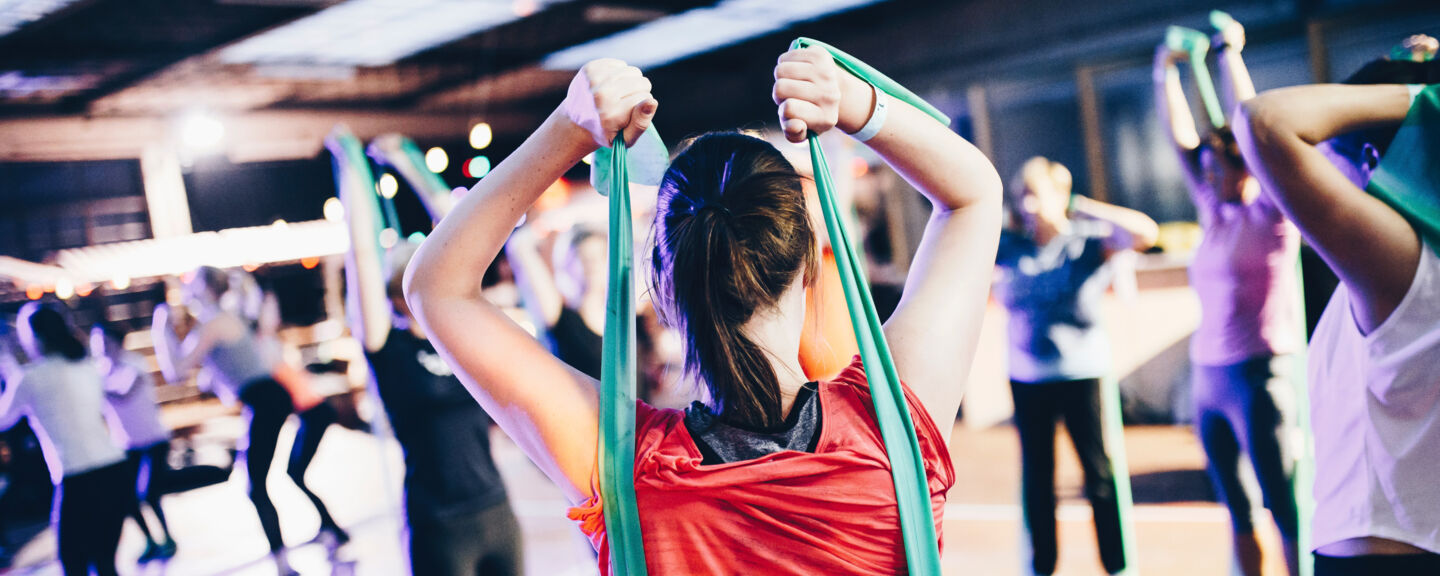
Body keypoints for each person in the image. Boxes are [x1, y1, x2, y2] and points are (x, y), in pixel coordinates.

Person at [404, 43, 1002, 572]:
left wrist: (570, 127)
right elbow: (974, 194)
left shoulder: (626, 471)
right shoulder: (889, 430)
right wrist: (853, 101)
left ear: (663, 290)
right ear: (808, 265)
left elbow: (436, 288)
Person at [1233, 44, 1440, 576]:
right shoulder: (1403, 265)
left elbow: (1264, 123)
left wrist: (1425, 96)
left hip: (1382, 563)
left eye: (1328, 153)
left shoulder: (1401, 266)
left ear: (1371, 163)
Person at [328, 127, 522, 576]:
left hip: (495, 511)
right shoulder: (386, 345)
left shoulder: (459, 333)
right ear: (395, 290)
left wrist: (409, 159)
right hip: (438, 526)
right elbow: (360, 253)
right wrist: (351, 164)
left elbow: (463, 228)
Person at [1154, 19, 1302, 576]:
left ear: (1245, 166)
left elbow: (1257, 126)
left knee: (1282, 508)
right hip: (1208, 378)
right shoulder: (1213, 214)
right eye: (1207, 169)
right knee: (1236, 510)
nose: (1208, 175)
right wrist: (1161, 71)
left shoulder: (1273, 213)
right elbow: (1179, 136)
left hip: (1258, 377)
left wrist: (1227, 54)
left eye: (1220, 166)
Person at [994, 156, 1158, 576]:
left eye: (1036, 195)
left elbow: (1145, 233)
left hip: (1083, 374)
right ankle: (1042, 566)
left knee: (1099, 474)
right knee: (1038, 481)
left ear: (1060, 196)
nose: (1028, 206)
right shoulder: (1009, 244)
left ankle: (1117, 566)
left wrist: (1082, 205)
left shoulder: (1085, 242)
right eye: (1021, 197)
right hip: (1028, 377)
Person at [152, 267, 348, 576]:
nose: (187, 289)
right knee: (259, 483)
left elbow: (176, 370)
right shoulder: (220, 321)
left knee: (257, 486)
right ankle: (292, 555)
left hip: (266, 400)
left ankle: (285, 564)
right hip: (265, 401)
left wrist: (160, 327)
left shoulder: (215, 322)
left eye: (193, 284)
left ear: (207, 289)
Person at [0, 303, 129, 576]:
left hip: (78, 476)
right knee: (105, 563)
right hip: (114, 469)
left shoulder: (30, 378)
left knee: (73, 562)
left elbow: (3, 419)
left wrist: (6, 367)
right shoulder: (87, 367)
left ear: (34, 337)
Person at [91, 323, 179, 563]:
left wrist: (92, 390)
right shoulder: (97, 371)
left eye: (104, 340)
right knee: (126, 499)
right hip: (126, 445)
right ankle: (150, 541)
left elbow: (125, 393)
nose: (100, 346)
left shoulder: (135, 363)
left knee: (149, 493)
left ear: (116, 340)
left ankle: (168, 538)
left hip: (154, 439)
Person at [505, 223, 606, 381]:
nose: (593, 265)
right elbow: (520, 246)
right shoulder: (561, 317)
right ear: (568, 265)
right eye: (584, 258)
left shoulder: (629, 317)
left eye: (600, 256)